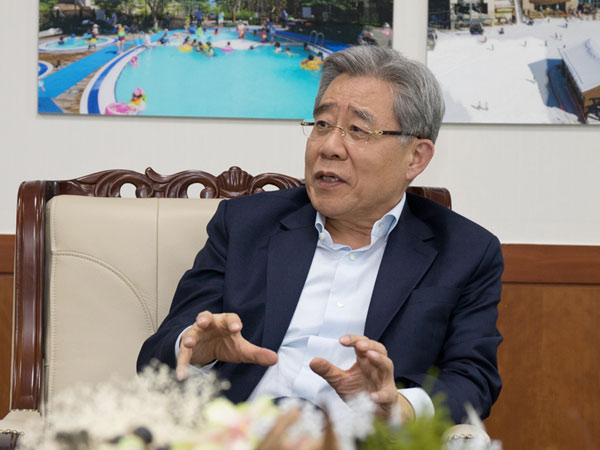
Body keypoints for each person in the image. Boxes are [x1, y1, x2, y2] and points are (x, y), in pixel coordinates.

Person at [137, 46, 502, 425]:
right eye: (323, 124)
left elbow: (473, 379)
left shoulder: (465, 251)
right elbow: (159, 354)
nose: (329, 147)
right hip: (240, 433)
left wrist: (398, 407)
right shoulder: (245, 224)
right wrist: (197, 351)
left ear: (416, 157)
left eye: (358, 130)